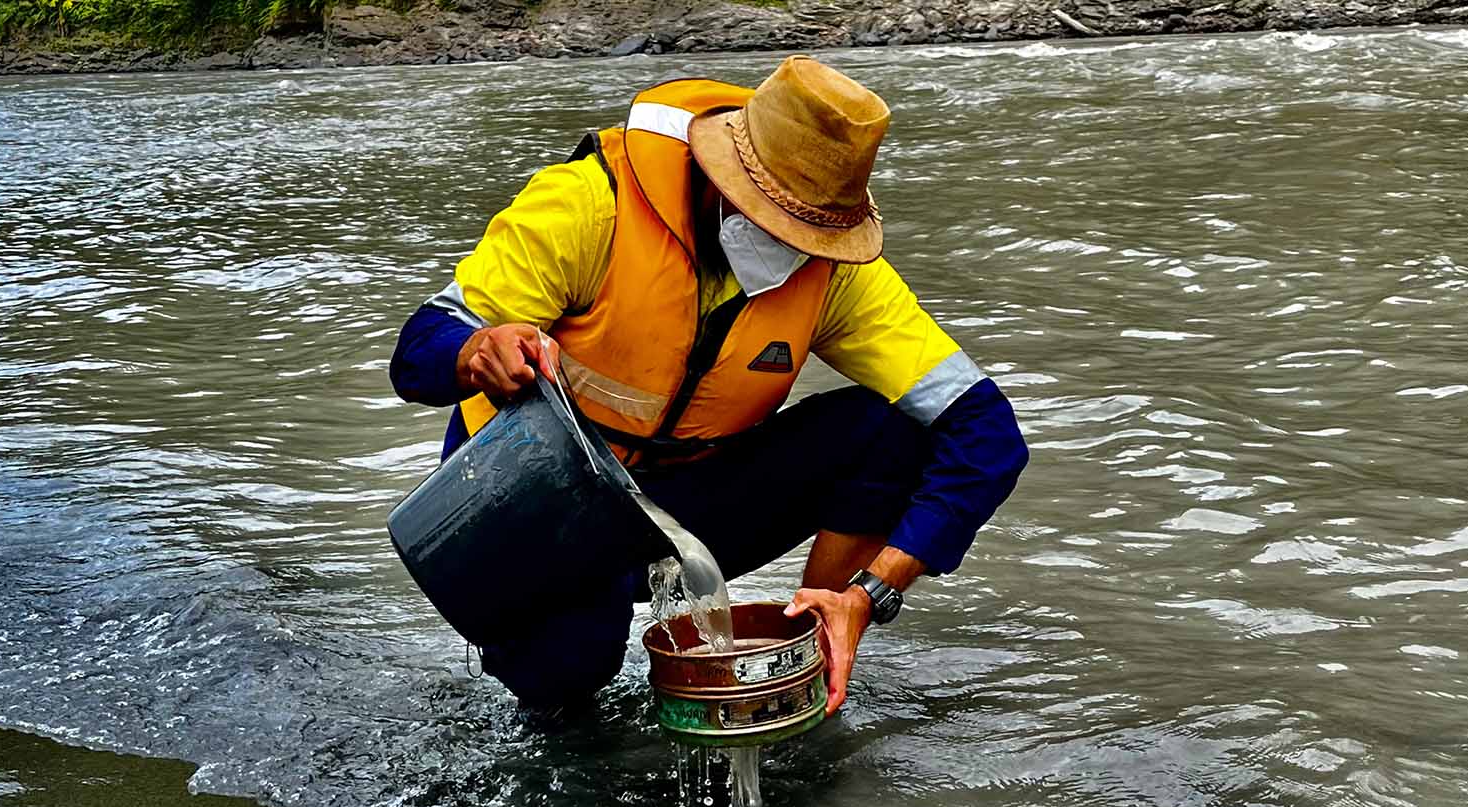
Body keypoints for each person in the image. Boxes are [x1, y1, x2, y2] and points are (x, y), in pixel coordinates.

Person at [390, 55, 1028, 717]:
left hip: (683, 496)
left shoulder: (835, 269)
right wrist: (475, 349)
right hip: (533, 491)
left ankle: (814, 641)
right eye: (779, 223)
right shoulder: (589, 204)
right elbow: (417, 352)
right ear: (720, 175)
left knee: (893, 429)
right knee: (570, 677)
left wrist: (870, 594)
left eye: (810, 233)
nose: (793, 247)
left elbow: (988, 435)